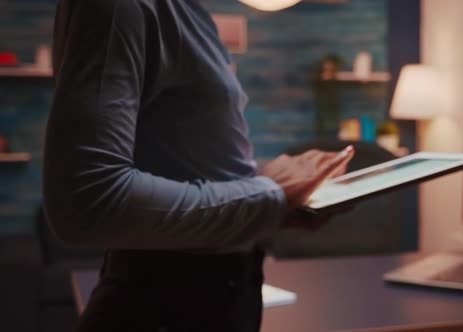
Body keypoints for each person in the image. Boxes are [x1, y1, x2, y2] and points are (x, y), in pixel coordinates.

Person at [42, 0, 355, 331]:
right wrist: (266, 195)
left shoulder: (190, 11)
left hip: (218, 298)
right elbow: (87, 204)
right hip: (165, 305)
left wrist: (277, 206)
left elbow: (189, 166)